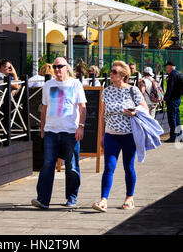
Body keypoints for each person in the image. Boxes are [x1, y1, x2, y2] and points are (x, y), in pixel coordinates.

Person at [92, 60, 148, 213]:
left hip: (129, 135)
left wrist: (135, 112)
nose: (111, 73)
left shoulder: (133, 91)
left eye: (114, 72)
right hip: (111, 135)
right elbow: (102, 115)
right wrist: (101, 135)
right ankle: (104, 200)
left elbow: (145, 109)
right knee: (109, 167)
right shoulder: (106, 91)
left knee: (128, 167)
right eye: (111, 71)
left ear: (123, 75)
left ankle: (129, 197)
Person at [31, 57, 87, 210]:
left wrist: (80, 126)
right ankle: (43, 199)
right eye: (54, 67)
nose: (56, 69)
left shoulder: (76, 84)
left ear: (67, 67)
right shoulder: (48, 85)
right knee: (48, 164)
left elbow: (82, 107)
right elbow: (44, 108)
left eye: (60, 66)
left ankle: (71, 197)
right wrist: (42, 128)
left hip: (70, 131)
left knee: (72, 165)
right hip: (51, 131)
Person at [164, 61, 182, 143]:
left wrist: (166, 97)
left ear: (170, 67)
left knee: (172, 118)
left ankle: (173, 137)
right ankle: (180, 135)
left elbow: (170, 88)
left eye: (166, 67)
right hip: (177, 98)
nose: (166, 69)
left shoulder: (172, 75)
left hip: (172, 99)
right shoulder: (178, 74)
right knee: (177, 117)